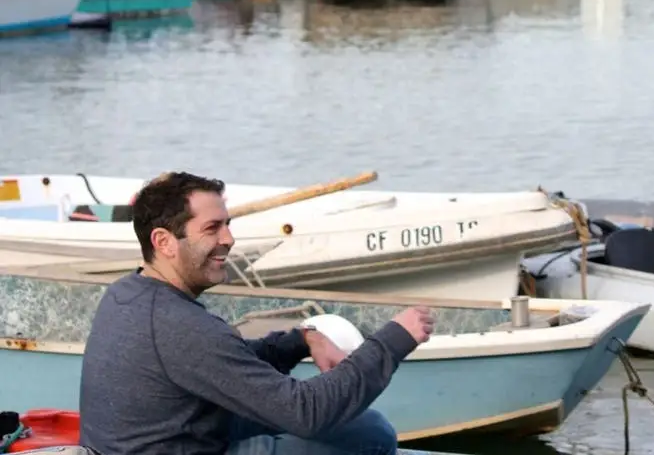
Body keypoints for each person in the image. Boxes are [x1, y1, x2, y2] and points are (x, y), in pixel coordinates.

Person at [79, 171, 435, 455]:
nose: (229, 239)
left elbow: (225, 363)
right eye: (211, 228)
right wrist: (393, 339)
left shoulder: (128, 293)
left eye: (228, 224)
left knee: (360, 426)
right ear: (163, 242)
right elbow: (307, 413)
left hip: (175, 438)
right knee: (369, 436)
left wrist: (300, 340)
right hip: (182, 445)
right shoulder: (177, 324)